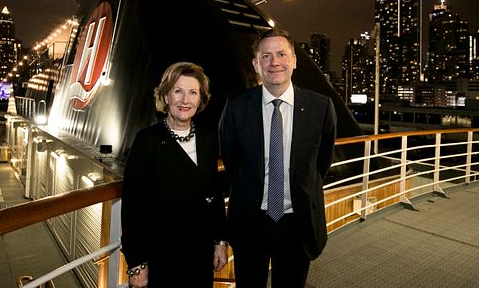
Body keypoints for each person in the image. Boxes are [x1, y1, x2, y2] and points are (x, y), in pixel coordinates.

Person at [219, 28, 336, 288]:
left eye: (282, 54)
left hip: (297, 223)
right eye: (266, 56)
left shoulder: (321, 107)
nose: (275, 62)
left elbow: (320, 163)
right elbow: (231, 160)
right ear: (256, 64)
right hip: (251, 221)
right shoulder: (236, 106)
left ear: (294, 60)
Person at [122, 62, 228, 287]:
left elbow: (214, 193)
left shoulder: (208, 138)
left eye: (193, 93)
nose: (185, 100)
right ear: (166, 96)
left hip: (199, 253)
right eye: (178, 91)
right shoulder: (146, 140)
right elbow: (132, 207)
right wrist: (136, 263)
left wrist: (220, 240)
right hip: (160, 255)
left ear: (201, 99)